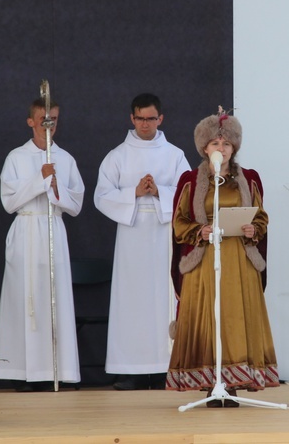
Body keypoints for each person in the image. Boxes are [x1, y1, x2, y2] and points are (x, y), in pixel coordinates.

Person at [166, 109, 279, 408]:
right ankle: (210, 383)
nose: (221, 148)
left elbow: (262, 216)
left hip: (239, 260)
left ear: (234, 147)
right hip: (205, 262)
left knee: (235, 318)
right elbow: (179, 222)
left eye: (226, 144)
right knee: (209, 318)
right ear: (204, 148)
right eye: (215, 143)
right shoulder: (191, 180)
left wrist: (254, 228)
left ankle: (234, 382)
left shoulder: (249, 178)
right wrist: (199, 231)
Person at [93, 93, 190, 390]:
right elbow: (101, 196)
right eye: (140, 118)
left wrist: (160, 191)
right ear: (131, 119)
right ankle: (132, 370)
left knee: (163, 297)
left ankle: (165, 368)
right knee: (131, 300)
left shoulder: (174, 155)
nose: (145, 124)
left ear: (160, 119)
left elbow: (188, 192)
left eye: (151, 118)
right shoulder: (117, 155)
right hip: (132, 234)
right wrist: (133, 193)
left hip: (164, 234)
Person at [0, 97, 85, 391]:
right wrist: (39, 178)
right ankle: (23, 372)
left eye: (53, 119)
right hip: (26, 228)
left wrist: (56, 189)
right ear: (31, 121)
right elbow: (9, 201)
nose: (49, 125)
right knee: (24, 298)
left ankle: (53, 370)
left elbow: (76, 203)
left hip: (52, 229)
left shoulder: (66, 158)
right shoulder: (16, 157)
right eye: (43, 119)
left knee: (52, 297)